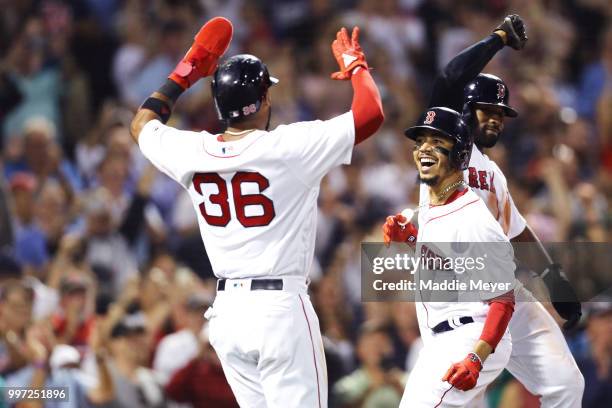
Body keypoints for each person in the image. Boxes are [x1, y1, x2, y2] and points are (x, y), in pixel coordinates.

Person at [129, 17, 384, 407]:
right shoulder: (287, 148)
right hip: (279, 309)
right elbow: (370, 114)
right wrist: (356, 66)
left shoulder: (192, 151)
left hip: (228, 315)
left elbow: (142, 123)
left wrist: (188, 69)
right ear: (264, 99)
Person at [384, 14, 584, 407]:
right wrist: (496, 40)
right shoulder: (448, 147)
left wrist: (554, 278)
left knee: (566, 383)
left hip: (500, 286)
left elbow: (517, 232)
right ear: (464, 110)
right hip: (455, 290)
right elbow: (448, 79)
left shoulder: (493, 173)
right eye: (485, 110)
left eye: (500, 114)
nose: (494, 118)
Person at [388, 107, 517, 407]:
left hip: (470, 336)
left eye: (437, 141)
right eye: (421, 141)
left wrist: (475, 358)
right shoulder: (437, 205)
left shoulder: (475, 219)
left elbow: (503, 300)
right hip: (442, 339)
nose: (425, 149)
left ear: (459, 153)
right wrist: (409, 239)